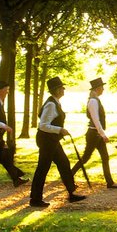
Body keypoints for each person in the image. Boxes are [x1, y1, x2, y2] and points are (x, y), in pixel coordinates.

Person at [30, 77, 87, 208]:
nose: (63, 89)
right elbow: (43, 125)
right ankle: (35, 199)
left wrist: (58, 132)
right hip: (47, 141)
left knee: (64, 163)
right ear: (56, 90)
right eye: (61, 88)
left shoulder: (54, 102)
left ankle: (72, 193)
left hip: (52, 140)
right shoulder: (51, 105)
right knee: (42, 168)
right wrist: (60, 129)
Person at [70, 77, 117, 188]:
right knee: (85, 158)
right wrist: (103, 134)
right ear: (98, 88)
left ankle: (110, 182)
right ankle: (69, 177)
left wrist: (101, 134)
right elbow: (96, 119)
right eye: (102, 87)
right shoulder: (93, 101)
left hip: (96, 134)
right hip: (93, 134)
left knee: (105, 157)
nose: (103, 89)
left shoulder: (95, 100)